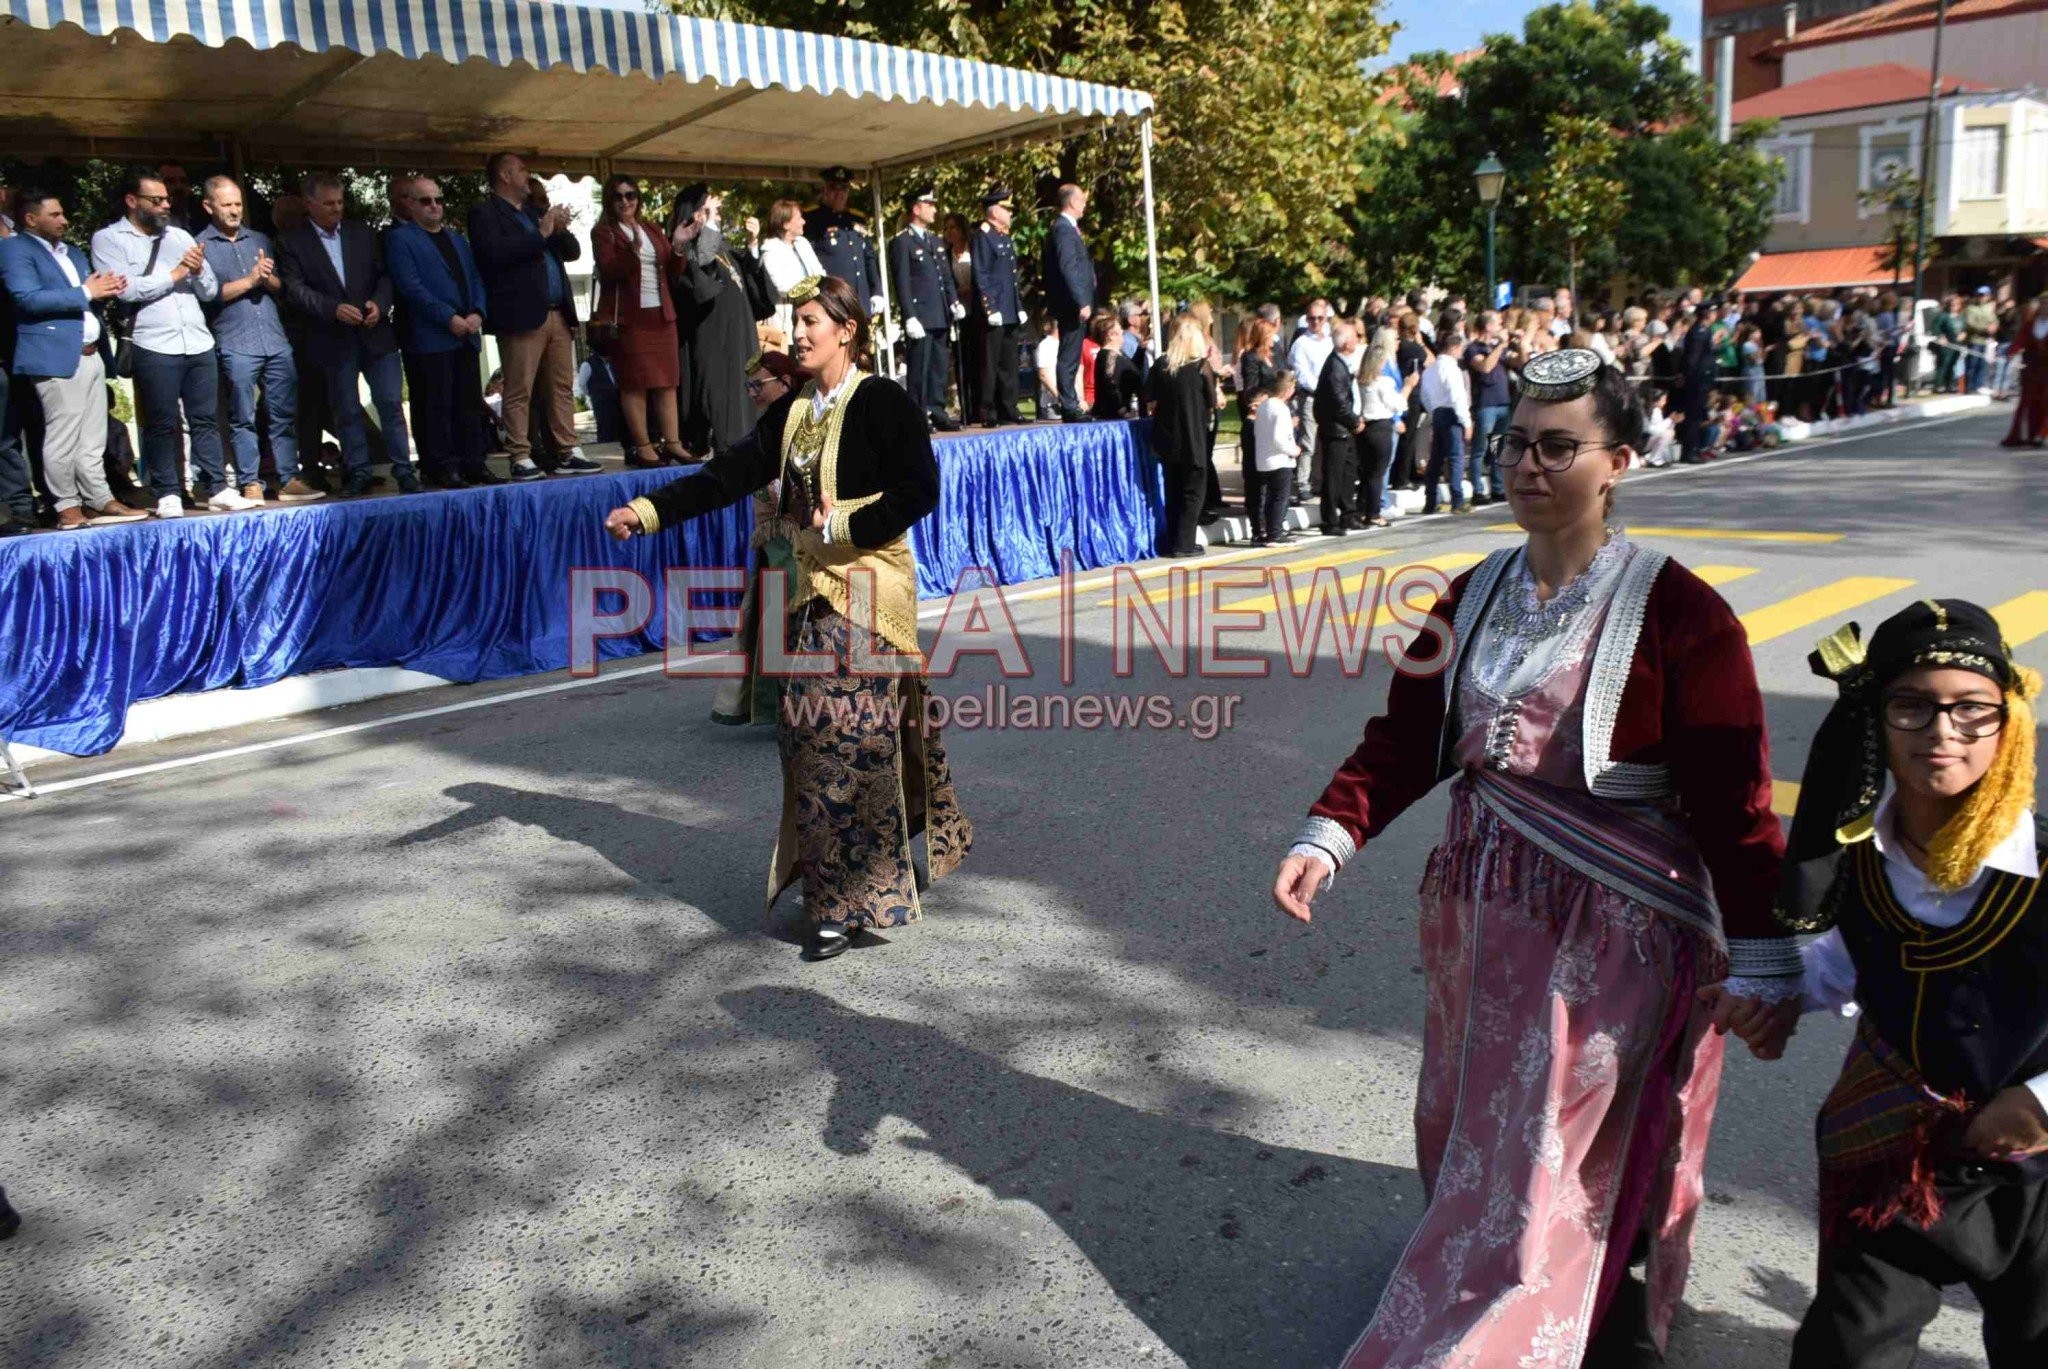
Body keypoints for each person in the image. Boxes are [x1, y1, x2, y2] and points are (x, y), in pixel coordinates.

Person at [1275, 348, 1798, 1369]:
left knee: (1551, 1151)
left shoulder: (1681, 613)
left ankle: (1536, 1324)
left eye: (1557, 446)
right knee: (1475, 1120)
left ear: (1618, 463)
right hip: (1481, 918)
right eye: (1514, 442)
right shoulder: (1470, 593)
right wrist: (1326, 835)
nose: (1526, 464)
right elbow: (1405, 738)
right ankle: (1526, 1275)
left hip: (1615, 933)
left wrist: (1765, 949)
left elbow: (1736, 800)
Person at [602, 274, 971, 960]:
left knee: (842, 737)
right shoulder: (794, 411)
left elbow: (921, 488)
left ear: (845, 329)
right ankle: (849, 880)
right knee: (808, 739)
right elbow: (728, 473)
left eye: (809, 322)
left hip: (868, 589)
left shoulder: (883, 401)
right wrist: (648, 512)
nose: (797, 334)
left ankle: (842, 902)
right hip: (810, 593)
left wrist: (847, 524)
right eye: (793, 323)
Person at [1754, 600, 2047, 1367]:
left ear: (2007, 720)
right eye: (1912, 706)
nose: (1943, 731)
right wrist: (1764, 992)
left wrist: (2041, 1099)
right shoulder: (1861, 855)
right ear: (1875, 719)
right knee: (1846, 1352)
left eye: (1970, 709)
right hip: (1895, 1150)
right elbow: (1847, 965)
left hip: (2038, 1171)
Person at [93, 166, 247, 516]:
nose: (166, 204)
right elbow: (125, 289)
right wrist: (175, 273)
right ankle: (168, 492)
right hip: (153, 341)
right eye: (156, 199)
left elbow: (208, 291)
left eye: (166, 199)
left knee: (206, 418)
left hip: (196, 339)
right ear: (133, 201)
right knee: (162, 421)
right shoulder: (108, 239)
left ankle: (218, 487)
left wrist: (197, 270)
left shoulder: (179, 236)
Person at [0, 189, 149, 528]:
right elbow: (27, 298)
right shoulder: (14, 250)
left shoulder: (73, 252)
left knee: (93, 436)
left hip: (92, 353)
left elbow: (89, 295)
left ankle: (98, 499)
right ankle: (66, 505)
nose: (64, 220)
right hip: (54, 354)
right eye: (55, 215)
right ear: (30, 218)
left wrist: (107, 288)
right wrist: (86, 292)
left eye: (63, 214)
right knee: (63, 434)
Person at [275, 172, 419, 498]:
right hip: (332, 337)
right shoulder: (292, 242)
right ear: (309, 204)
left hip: (375, 333)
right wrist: (332, 308)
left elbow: (385, 276)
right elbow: (295, 290)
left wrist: (379, 305)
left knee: (390, 402)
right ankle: (358, 471)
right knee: (347, 409)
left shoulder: (362, 233)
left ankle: (404, 470)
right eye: (328, 204)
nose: (336, 209)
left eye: (340, 202)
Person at [467, 152, 600, 481]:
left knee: (561, 387)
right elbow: (494, 255)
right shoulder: (485, 213)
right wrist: (540, 233)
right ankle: (520, 455)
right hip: (521, 315)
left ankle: (568, 450)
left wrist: (559, 227)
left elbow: (572, 252)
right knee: (519, 388)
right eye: (523, 170)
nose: (528, 176)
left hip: (557, 312)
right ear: (505, 175)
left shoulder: (533, 211)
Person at [198, 174, 313, 505]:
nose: (235, 211)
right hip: (235, 340)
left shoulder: (259, 238)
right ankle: (251, 482)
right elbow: (208, 296)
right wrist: (250, 280)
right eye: (227, 205)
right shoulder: (200, 245)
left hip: (275, 339)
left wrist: (267, 278)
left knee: (283, 413)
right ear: (208, 206)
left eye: (238, 204)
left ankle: (289, 477)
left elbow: (282, 289)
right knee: (242, 416)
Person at [386, 177, 504, 490]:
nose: (435, 206)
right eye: (426, 201)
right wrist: (448, 317)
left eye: (438, 199)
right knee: (435, 406)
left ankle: (474, 464)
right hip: (429, 338)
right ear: (410, 204)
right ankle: (441, 467)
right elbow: (410, 287)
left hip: (466, 335)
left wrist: (478, 311)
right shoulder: (401, 239)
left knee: (468, 404)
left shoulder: (457, 239)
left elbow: (477, 278)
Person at [708, 348, 805, 728]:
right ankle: (781, 704)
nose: (751, 393)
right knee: (773, 614)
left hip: (807, 538)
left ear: (784, 384)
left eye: (757, 385)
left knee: (791, 614)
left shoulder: (806, 423)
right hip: (776, 539)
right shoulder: (766, 432)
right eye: (747, 386)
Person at [589, 174, 683, 470]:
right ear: (609, 201)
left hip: (662, 314)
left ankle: (674, 443)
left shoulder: (651, 228)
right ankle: (642, 446)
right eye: (618, 196)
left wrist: (678, 246)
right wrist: (631, 249)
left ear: (638, 199)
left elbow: (672, 271)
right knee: (635, 383)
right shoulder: (604, 233)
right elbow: (609, 269)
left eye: (631, 195)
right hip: (631, 318)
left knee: (667, 381)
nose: (626, 201)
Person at [668, 183, 757, 454]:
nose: (716, 209)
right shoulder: (688, 245)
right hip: (714, 340)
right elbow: (701, 268)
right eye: (708, 206)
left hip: (739, 336)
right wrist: (705, 223)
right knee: (723, 402)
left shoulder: (721, 245)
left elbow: (750, 282)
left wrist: (752, 246)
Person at [888, 184, 962, 432]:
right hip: (920, 315)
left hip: (940, 312)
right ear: (916, 208)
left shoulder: (935, 240)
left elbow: (946, 276)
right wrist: (909, 316)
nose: (934, 209)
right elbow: (903, 282)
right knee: (919, 368)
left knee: (939, 367)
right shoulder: (902, 242)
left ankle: (937, 410)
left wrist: (953, 301)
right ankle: (918, 414)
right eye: (929, 205)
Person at [1145, 314, 1214, 559]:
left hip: (1167, 438)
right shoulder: (1200, 366)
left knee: (1172, 489)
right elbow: (1211, 401)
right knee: (1193, 491)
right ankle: (1185, 542)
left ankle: (1173, 538)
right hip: (1193, 438)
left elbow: (1150, 399)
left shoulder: (1161, 366)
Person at [969, 185, 1024, 427]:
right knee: (990, 364)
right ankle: (987, 410)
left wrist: (1018, 305)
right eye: (1007, 209)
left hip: (1009, 308)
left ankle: (1009, 407)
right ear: (994, 211)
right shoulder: (983, 236)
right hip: (994, 311)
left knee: (1009, 363)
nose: (1011, 213)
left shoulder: (1003, 236)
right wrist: (990, 308)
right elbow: (981, 274)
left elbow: (1011, 277)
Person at [1041, 183, 1096, 423]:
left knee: (1071, 354)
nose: (1084, 205)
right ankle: (1069, 404)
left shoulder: (1068, 228)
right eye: (1082, 200)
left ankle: (1071, 402)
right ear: (1073, 202)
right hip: (1071, 305)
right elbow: (1068, 267)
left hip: (1073, 303)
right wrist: (1081, 300)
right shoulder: (1063, 229)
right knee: (1069, 355)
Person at [802, 168, 885, 322]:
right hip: (834, 301)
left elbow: (869, 257)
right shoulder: (812, 219)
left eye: (844, 189)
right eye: (834, 189)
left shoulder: (857, 218)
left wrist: (876, 291)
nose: (840, 194)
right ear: (825, 190)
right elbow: (807, 260)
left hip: (860, 300)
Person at [1312, 319, 1364, 537]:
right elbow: (1337, 402)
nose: (1357, 341)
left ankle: (1348, 514)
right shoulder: (1334, 366)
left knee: (1348, 473)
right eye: (1355, 337)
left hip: (1344, 429)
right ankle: (1330, 520)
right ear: (1346, 343)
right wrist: (1354, 421)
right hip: (1336, 428)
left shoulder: (1342, 363)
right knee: (1333, 476)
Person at [1418, 324, 1475, 514]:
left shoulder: (1430, 370)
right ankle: (1457, 500)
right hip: (1451, 413)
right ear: (1453, 348)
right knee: (1455, 457)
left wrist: (1433, 411)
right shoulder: (1452, 369)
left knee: (1436, 459)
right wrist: (1466, 421)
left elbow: (1425, 396)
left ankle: (1430, 500)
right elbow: (1457, 396)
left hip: (1437, 412)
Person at [1355, 326, 1407, 531]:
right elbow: (1399, 404)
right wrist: (1408, 387)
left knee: (1368, 472)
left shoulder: (1361, 382)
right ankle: (1374, 513)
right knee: (1378, 472)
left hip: (1367, 428)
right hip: (1381, 427)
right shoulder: (1383, 382)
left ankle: (1363, 508)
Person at [757, 199, 825, 345]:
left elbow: (820, 273)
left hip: (812, 317)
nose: (804, 222)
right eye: (799, 218)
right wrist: (814, 289)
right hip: (785, 325)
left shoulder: (803, 244)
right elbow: (783, 287)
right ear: (786, 224)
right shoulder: (770, 251)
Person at [1235, 316, 1279, 537]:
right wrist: (1271, 395)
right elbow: (1250, 390)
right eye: (1270, 334)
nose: (1274, 339)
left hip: (1275, 418)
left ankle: (1272, 522)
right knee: (1255, 475)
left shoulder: (1273, 356)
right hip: (1258, 419)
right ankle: (1257, 526)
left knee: (1273, 474)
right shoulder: (1251, 358)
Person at [1288, 300, 1334, 506]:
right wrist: (1324, 388)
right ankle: (1303, 483)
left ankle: (1320, 480)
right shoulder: (1301, 344)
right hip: (1311, 396)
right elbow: (1302, 374)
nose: (1315, 322)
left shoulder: (1330, 341)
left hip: (1331, 397)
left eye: (1320, 318)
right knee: (1309, 441)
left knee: (1325, 441)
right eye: (1311, 318)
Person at [1462, 311, 1511, 506]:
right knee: (1480, 449)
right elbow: (1485, 367)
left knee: (1498, 448)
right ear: (1488, 327)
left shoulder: (1496, 348)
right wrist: (1500, 346)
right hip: (1485, 405)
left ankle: (1498, 488)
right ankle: (1478, 490)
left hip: (1503, 402)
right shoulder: (1473, 348)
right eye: (1498, 323)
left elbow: (1517, 361)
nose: (1501, 326)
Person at [1250, 370, 1300, 546]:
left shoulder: (1264, 406)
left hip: (1264, 459)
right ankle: (1275, 532)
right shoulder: (1281, 408)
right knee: (1280, 497)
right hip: (1279, 459)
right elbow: (1280, 438)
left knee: (1269, 497)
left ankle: (1269, 530)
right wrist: (1293, 450)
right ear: (1288, 389)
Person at [942, 213, 981, 423]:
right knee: (962, 360)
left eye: (953, 227)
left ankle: (979, 406)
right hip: (958, 312)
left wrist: (971, 288)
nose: (950, 232)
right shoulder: (946, 254)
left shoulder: (974, 249)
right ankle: (965, 408)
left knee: (979, 360)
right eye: (946, 228)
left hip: (977, 310)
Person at [2001, 291, 2048, 449]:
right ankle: (2025, 435)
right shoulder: (2030, 324)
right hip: (2032, 370)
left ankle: (2041, 434)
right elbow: (2020, 340)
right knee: (2028, 403)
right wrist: (2012, 353)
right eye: (2042, 304)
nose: (2044, 307)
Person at [1090, 312, 1139, 419]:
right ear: (1111, 335)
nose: (1122, 331)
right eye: (1119, 329)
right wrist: (1123, 411)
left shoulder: (1119, 354)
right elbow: (1109, 382)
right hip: (1115, 417)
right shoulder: (1108, 356)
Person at [1963, 287, 1999, 393]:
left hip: (1986, 341)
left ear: (1988, 296)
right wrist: (1985, 329)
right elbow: (1970, 323)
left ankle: (1979, 385)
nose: (1982, 297)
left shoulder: (1990, 308)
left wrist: (1995, 326)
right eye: (1980, 295)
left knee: (1983, 364)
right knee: (1972, 364)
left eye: (1984, 295)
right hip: (1975, 340)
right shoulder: (1971, 308)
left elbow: (1994, 320)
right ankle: (1969, 386)